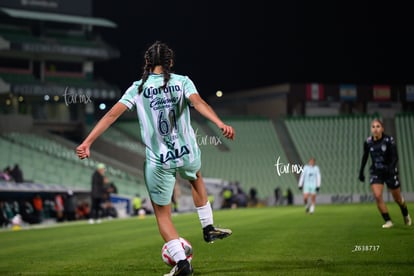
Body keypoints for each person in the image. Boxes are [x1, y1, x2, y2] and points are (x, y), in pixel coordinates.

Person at [76, 41, 235, 276]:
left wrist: (88, 142)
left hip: (159, 160)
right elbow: (198, 103)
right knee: (195, 177)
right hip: (186, 151)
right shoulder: (182, 81)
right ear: (170, 62)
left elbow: (111, 115)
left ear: (147, 63)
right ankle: (207, 226)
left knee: (162, 214)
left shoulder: (138, 88)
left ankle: (182, 263)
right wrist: (220, 123)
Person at [358, 118, 411, 228]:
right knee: (377, 196)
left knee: (398, 199)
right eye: (373, 127)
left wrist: (391, 168)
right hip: (376, 171)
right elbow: (365, 156)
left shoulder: (389, 140)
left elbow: (395, 156)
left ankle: (405, 214)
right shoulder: (368, 142)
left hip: (389, 171)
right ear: (371, 129)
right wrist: (361, 171)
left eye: (378, 126)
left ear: (382, 128)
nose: (375, 129)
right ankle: (388, 221)